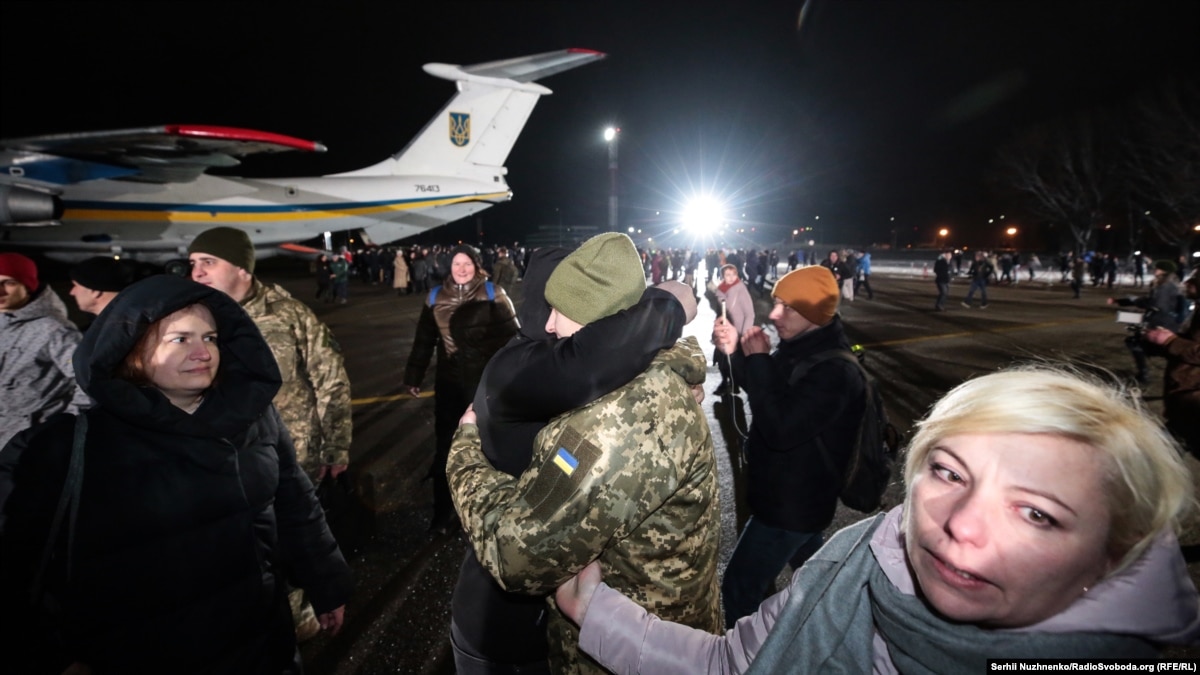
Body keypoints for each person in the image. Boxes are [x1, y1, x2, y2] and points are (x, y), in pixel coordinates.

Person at [556, 366, 1200, 672]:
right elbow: (736, 665)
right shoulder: (860, 553)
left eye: (1036, 512)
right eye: (949, 472)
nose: (963, 527)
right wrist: (600, 614)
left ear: (1112, 554)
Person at [0, 275, 353, 674]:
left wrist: (327, 585)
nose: (203, 352)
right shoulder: (63, 448)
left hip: (259, 641)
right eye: (180, 339)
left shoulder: (254, 420)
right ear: (132, 348)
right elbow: (17, 565)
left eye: (212, 338)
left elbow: (296, 504)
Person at [446, 232, 720, 674]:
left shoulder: (608, 421)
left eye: (563, 311)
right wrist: (671, 307)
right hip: (663, 637)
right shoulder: (652, 370)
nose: (550, 325)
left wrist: (463, 450)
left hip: (626, 649)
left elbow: (516, 556)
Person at [188, 226, 353, 639]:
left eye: (209, 263)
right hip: (222, 459)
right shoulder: (195, 320)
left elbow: (330, 379)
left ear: (242, 270)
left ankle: (297, 618)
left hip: (293, 453)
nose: (198, 273)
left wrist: (336, 446)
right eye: (193, 264)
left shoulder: (288, 313)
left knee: (291, 538)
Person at [712, 265, 865, 627]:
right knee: (816, 575)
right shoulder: (799, 347)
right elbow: (766, 393)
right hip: (788, 495)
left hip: (792, 504)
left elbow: (781, 427)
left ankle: (745, 662)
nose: (774, 314)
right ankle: (837, 629)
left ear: (813, 313)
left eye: (787, 307)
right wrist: (735, 352)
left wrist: (761, 359)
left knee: (739, 587)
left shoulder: (835, 372)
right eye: (776, 303)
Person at [405, 243, 519, 533]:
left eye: (467, 263)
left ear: (477, 265)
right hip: (449, 385)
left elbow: (513, 341)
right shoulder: (434, 297)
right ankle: (443, 512)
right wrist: (414, 376)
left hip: (484, 388)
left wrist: (513, 379)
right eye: (456, 263)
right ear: (447, 266)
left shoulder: (493, 293)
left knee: (486, 449)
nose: (461, 269)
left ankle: (489, 511)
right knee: (446, 447)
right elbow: (424, 340)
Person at [0, 252, 92, 449]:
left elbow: (89, 380)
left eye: (9, 283)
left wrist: (61, 425)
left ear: (28, 286)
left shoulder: (52, 329)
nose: (0, 291)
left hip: (26, 444)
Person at [1145, 270, 1200, 453]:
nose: (1188, 282)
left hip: (1194, 404)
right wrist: (1160, 344)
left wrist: (1171, 342)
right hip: (1186, 402)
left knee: (1159, 455)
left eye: (1196, 279)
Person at [1108, 259, 1183, 384]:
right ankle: (1149, 374)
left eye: (1158, 268)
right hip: (1162, 322)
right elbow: (1150, 301)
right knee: (1142, 344)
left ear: (1165, 272)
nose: (1155, 270)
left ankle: (1145, 375)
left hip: (1162, 324)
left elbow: (1156, 304)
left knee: (1137, 344)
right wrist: (1121, 301)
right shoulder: (1165, 285)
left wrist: (1135, 300)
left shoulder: (1165, 286)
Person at [713, 262, 756, 396]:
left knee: (733, 360)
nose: (731, 277)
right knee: (721, 359)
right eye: (727, 275)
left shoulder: (740, 289)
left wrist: (743, 334)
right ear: (722, 276)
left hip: (737, 331)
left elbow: (750, 314)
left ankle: (734, 383)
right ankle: (725, 381)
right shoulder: (721, 289)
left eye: (733, 274)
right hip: (725, 329)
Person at [67, 256, 136, 316]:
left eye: (75, 285)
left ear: (95, 291)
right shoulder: (130, 320)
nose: (72, 292)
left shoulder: (120, 327)